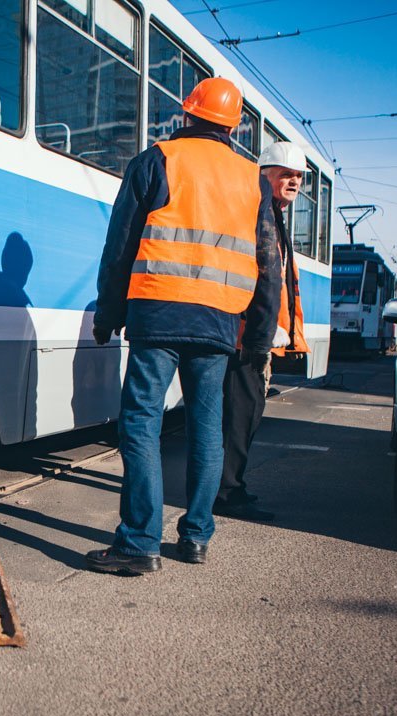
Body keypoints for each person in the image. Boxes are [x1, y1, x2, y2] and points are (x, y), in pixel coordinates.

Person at [85, 77, 281, 575]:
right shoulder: (251, 176)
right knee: (206, 429)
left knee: (142, 423)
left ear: (187, 114)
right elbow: (267, 262)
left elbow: (121, 246)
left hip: (157, 313)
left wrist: (109, 315)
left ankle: (139, 543)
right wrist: (258, 337)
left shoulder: (156, 159)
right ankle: (195, 537)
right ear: (233, 127)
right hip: (219, 320)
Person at [213, 141, 311, 522]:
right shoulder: (257, 213)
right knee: (239, 416)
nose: (294, 182)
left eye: (298, 176)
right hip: (244, 337)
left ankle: (228, 486)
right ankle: (225, 492)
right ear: (264, 175)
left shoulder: (276, 217)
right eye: (285, 174)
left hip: (258, 336)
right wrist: (257, 334)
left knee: (246, 416)